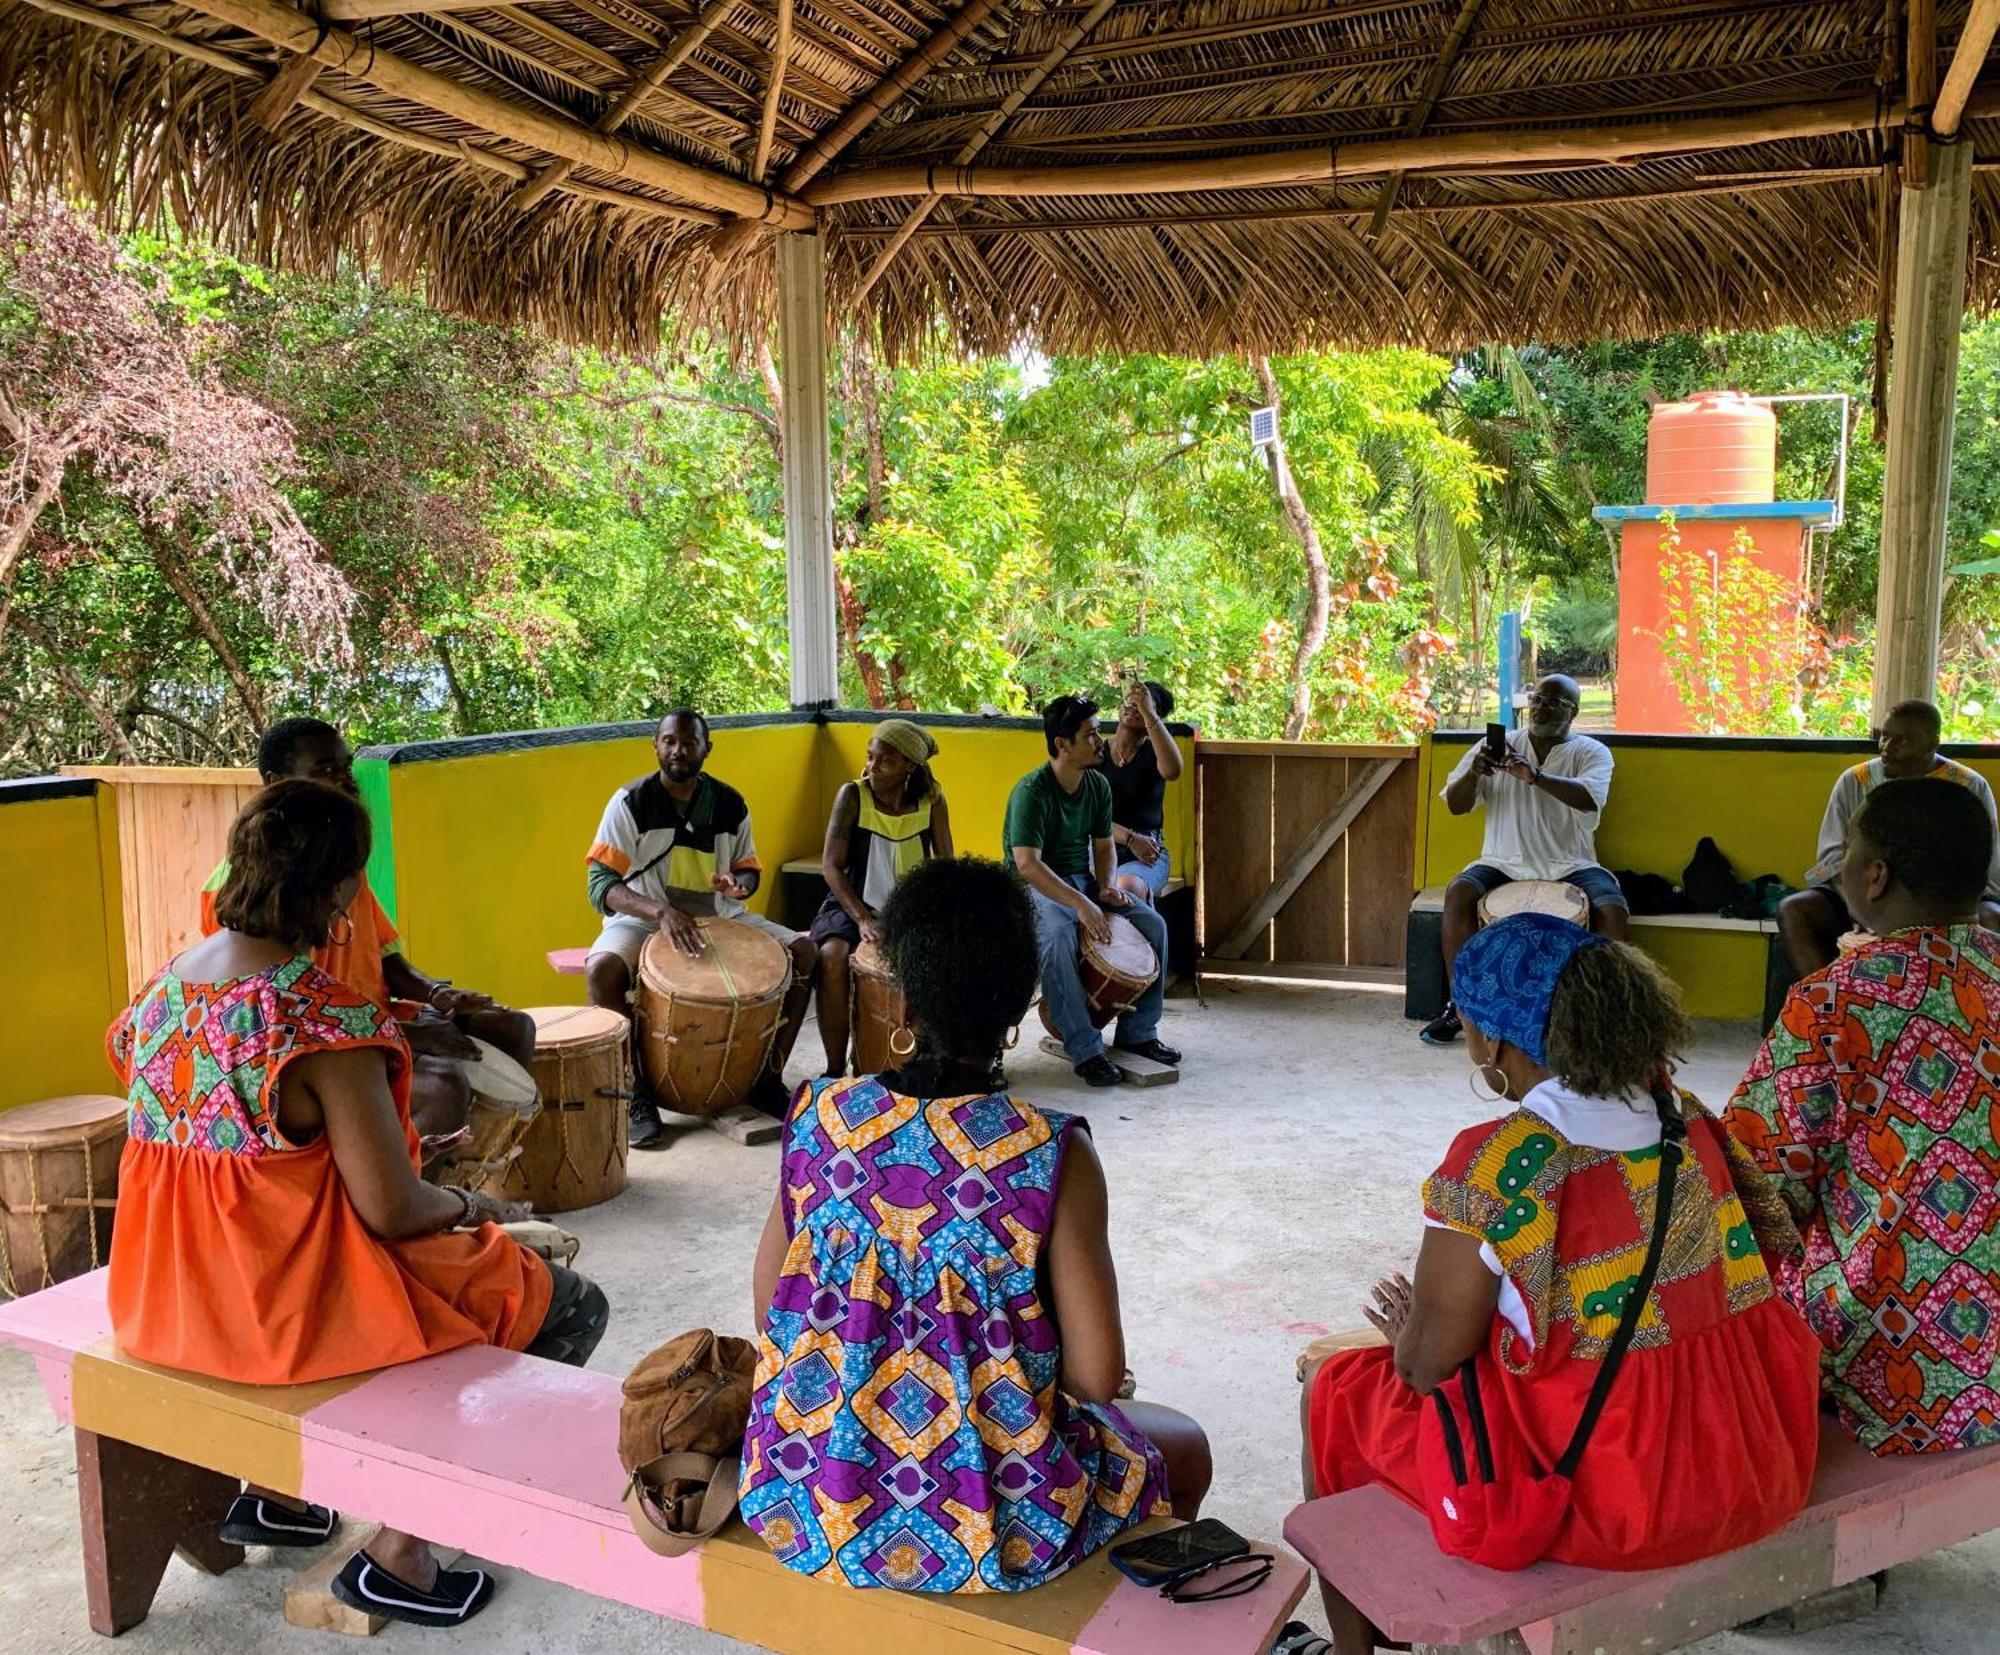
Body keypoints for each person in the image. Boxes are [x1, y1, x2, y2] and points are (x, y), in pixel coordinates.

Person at [113, 779, 609, 1629]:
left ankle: (283, 1499)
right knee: (561, 1302)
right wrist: (469, 1202)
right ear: (343, 891)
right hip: (277, 1310)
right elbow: (389, 1209)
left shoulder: (158, 995)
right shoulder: (319, 1021)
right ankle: (402, 1554)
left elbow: (234, 1164)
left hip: (162, 1295)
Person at [1304, 914, 1819, 1647]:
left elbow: (1424, 1367)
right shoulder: (1688, 1120)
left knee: (1337, 1389)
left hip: (1604, 1500)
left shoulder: (1499, 1165)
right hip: (1746, 1460)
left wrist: (1414, 1328)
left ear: (1493, 1040)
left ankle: (1354, 1645)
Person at [740, 857, 1211, 1592]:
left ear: (901, 1002)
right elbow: (1093, 1375)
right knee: (1182, 1447)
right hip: (997, 1527)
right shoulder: (1051, 1151)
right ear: (1018, 1007)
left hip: (805, 1498)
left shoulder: (819, 1118)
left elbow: (773, 1307)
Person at [1726, 779, 2000, 1455]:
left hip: (1883, 1363)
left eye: (1849, 849)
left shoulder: (1831, 1002)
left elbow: (1755, 1191)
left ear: (1874, 877)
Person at [200, 717, 537, 1146]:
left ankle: (481, 1168)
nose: (344, 780)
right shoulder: (242, 888)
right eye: (325, 771)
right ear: (276, 782)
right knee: (442, 1084)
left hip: (372, 1017)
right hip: (316, 1045)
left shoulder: (340, 859)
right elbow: (282, 1014)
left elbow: (385, 956)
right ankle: (415, 1198)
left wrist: (435, 994)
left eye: (346, 767)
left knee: (513, 1028)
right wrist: (405, 1036)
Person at [585, 709, 816, 1147]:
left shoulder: (730, 803)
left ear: (707, 748)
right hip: (644, 920)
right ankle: (635, 1093)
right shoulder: (630, 802)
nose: (679, 750)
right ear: (655, 746)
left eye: (689, 742)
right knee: (602, 971)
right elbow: (600, 884)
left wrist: (738, 885)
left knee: (806, 953)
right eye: (669, 741)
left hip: (723, 918)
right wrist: (660, 912)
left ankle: (768, 1076)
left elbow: (749, 870)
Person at [1420, 675, 1627, 1046]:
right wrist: (1474, 772)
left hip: (1571, 862)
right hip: (1504, 861)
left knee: (1612, 909)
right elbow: (1455, 804)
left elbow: (1588, 799)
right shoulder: (1497, 745)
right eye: (1537, 698)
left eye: (1553, 702)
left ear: (1573, 712)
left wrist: (1535, 777)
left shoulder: (1592, 752)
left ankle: (1604, 1015)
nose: (1541, 707)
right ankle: (1461, 1005)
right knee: (1458, 894)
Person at [1004, 695, 1179, 1087]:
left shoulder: (1097, 785)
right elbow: (1028, 865)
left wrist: (1105, 887)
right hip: (1033, 886)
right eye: (1090, 734)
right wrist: (1081, 904)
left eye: (1097, 731)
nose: (1100, 740)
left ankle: (1139, 1033)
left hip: (1081, 880)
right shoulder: (1031, 791)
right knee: (1059, 934)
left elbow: (1103, 847)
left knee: (1153, 924)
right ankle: (1085, 1048)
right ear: (1063, 744)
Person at [1776, 699, 2000, 976]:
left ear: (1932, 743)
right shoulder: (1855, 780)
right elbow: (1831, 860)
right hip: (1859, 897)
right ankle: (1823, 999)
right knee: (1795, 910)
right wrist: (1859, 908)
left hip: (1942, 904)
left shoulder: (1968, 786)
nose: (1887, 747)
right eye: (1884, 736)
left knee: (1993, 918)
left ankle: (1979, 1006)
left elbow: (1984, 865)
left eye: (1902, 741)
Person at [808, 719, 954, 1077]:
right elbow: (831, 867)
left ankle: (927, 1061)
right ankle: (832, 1068)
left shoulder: (932, 799)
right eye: (870, 757)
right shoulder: (853, 795)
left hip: (910, 908)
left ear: (910, 766)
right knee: (831, 955)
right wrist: (862, 919)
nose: (873, 767)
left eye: (886, 761)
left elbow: (945, 866)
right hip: (853, 903)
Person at [1101, 678, 1184, 905]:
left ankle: (1144, 940)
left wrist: (1149, 712)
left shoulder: (1155, 753)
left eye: (1142, 704)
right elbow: (1083, 816)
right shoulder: (1096, 752)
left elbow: (1173, 770)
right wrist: (1128, 838)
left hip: (1148, 854)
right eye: (1130, 700)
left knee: (1126, 887)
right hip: (1098, 847)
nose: (1132, 706)